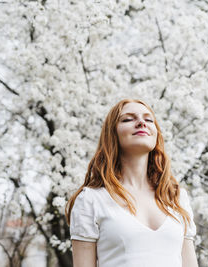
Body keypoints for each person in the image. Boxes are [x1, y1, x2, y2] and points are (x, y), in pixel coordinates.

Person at [65, 99, 199, 267]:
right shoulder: (91, 200)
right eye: (128, 119)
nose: (141, 122)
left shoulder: (176, 197)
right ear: (112, 134)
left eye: (148, 119)